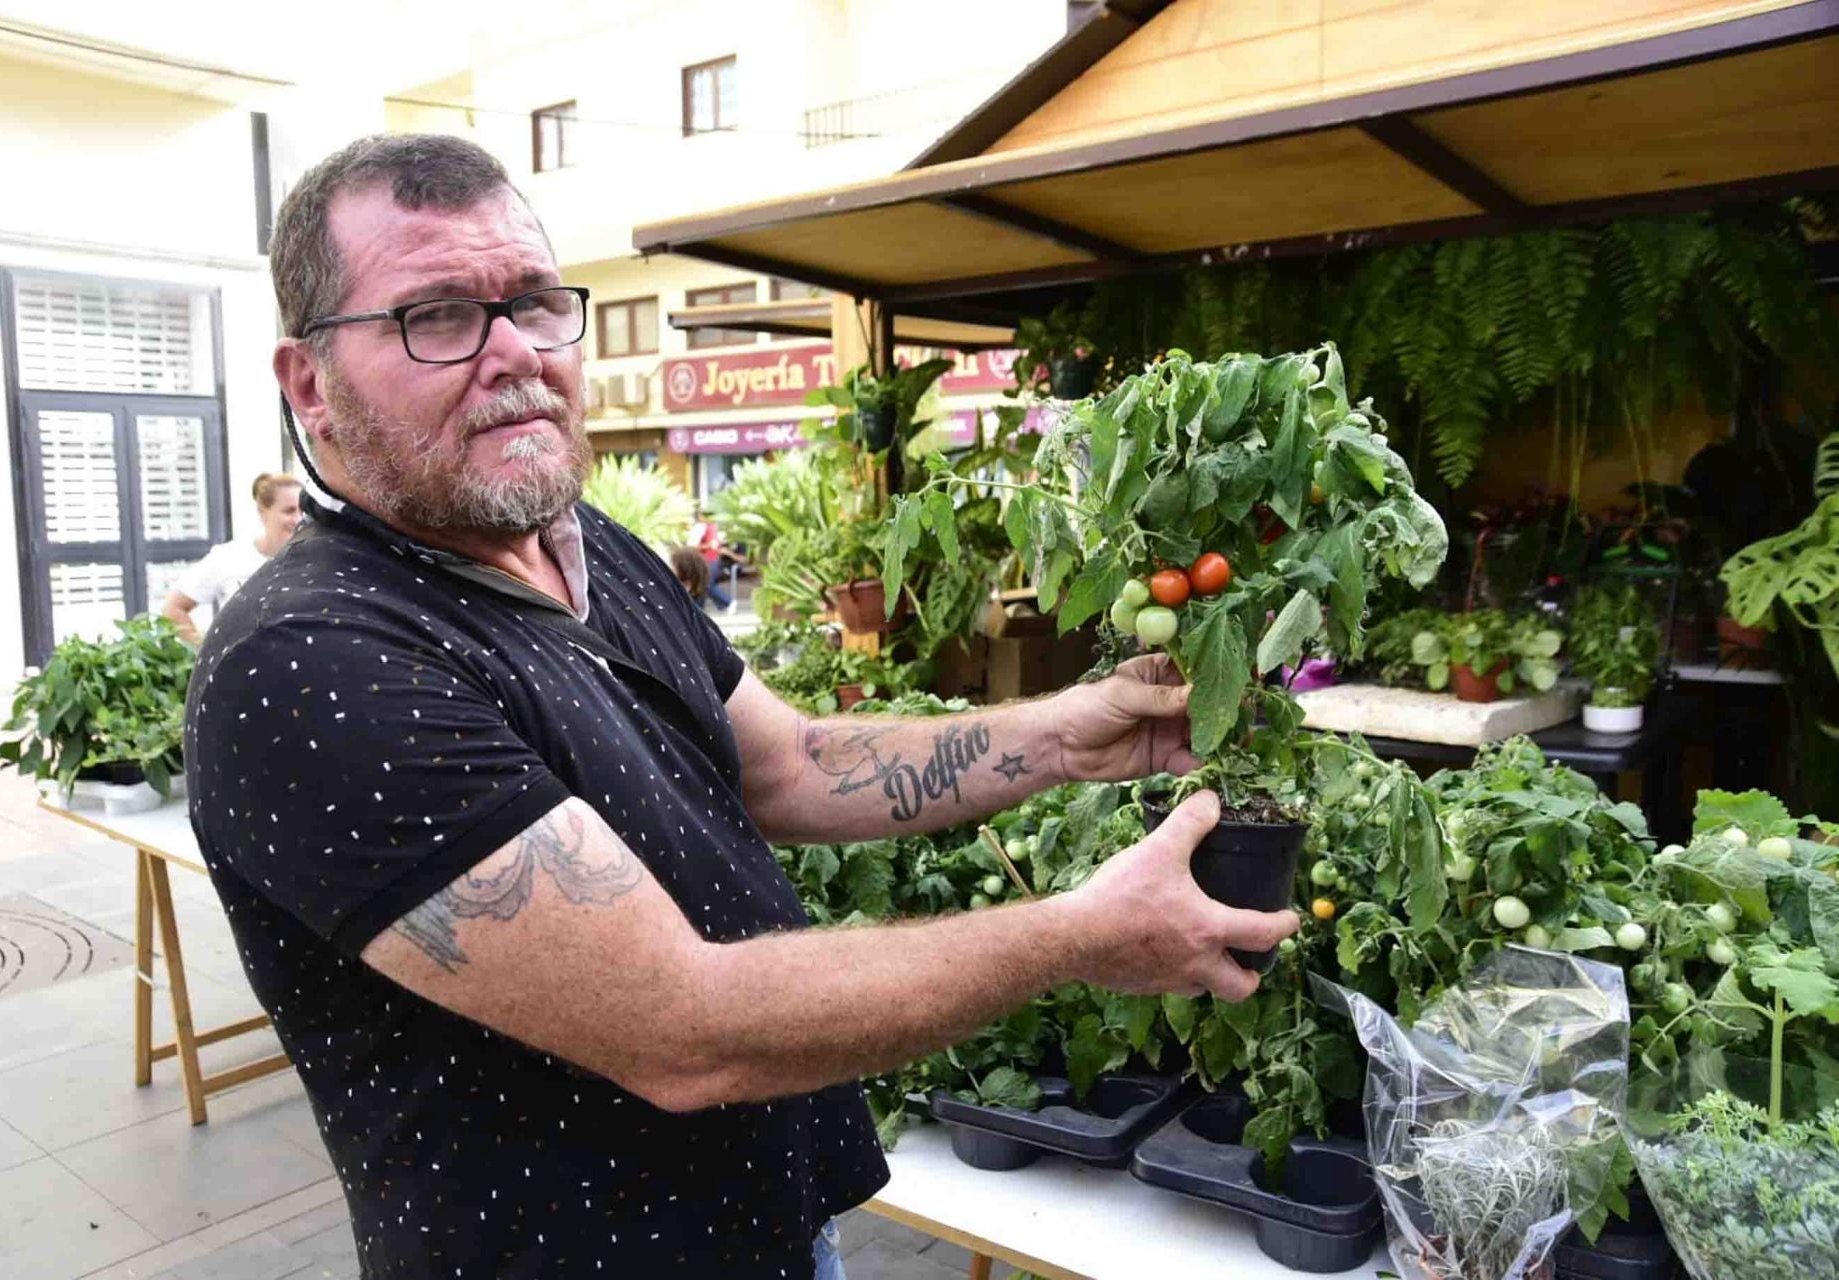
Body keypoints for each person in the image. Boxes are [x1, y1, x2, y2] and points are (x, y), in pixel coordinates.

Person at [185, 134, 1296, 1280]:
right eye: (436, 315)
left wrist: (1062, 732)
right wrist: (1077, 935)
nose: (513, 351)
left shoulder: (581, 547)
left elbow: (791, 762)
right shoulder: (312, 661)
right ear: (309, 383)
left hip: (770, 1232)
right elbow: (687, 1025)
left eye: (530, 301)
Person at [160, 472, 301, 643]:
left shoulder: (313, 559)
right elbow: (173, 607)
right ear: (263, 511)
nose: (298, 519)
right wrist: (204, 653)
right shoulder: (230, 558)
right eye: (289, 511)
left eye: (303, 511)